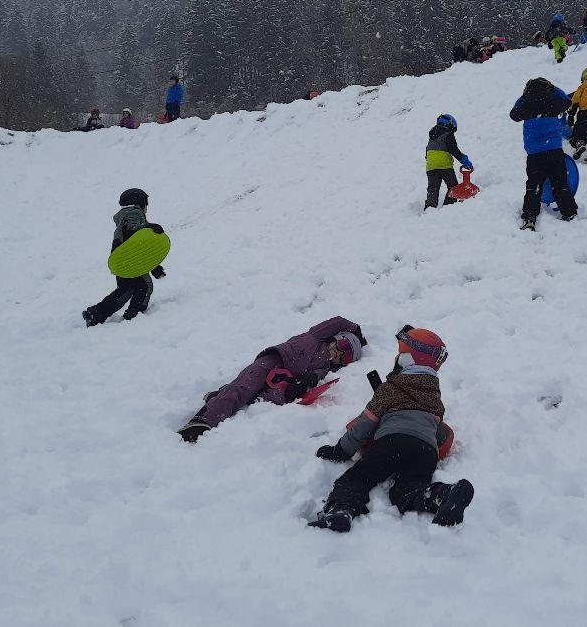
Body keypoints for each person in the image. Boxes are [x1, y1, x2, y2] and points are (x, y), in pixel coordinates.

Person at [308, 326, 474, 533]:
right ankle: (443, 495)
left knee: (358, 478)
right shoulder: (435, 395)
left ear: (408, 360)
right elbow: (440, 432)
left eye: (400, 354)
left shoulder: (390, 388)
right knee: (408, 491)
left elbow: (364, 424)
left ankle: (341, 510)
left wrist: (341, 451)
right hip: (425, 450)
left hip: (393, 442)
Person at [178, 318, 366, 442]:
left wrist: (305, 382)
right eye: (342, 345)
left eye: (346, 356)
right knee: (246, 386)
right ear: (336, 338)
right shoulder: (317, 335)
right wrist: (355, 329)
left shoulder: (324, 368)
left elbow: (315, 377)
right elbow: (339, 321)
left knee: (273, 400)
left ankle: (224, 394)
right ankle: (203, 421)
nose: (339, 353)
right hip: (275, 360)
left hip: (283, 379)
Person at [82, 188, 166, 327]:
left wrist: (153, 266)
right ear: (140, 203)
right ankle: (134, 316)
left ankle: (96, 313)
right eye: (146, 204)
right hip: (131, 261)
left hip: (122, 260)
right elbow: (135, 234)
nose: (147, 208)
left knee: (126, 290)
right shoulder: (133, 213)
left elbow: (137, 245)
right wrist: (150, 226)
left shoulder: (125, 216)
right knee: (144, 286)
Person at [510, 77, 578, 230]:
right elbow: (567, 101)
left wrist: (525, 96)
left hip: (535, 153)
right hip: (554, 150)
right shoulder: (553, 102)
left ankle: (530, 216)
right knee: (560, 183)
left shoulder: (526, 105)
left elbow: (513, 114)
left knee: (533, 185)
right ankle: (569, 213)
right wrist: (553, 89)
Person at [424, 113, 472, 210]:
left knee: (433, 188)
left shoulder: (432, 135)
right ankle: (448, 207)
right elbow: (453, 149)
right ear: (450, 124)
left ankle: (430, 208)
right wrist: (464, 160)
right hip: (444, 165)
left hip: (431, 166)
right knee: (453, 186)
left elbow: (427, 151)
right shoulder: (448, 133)